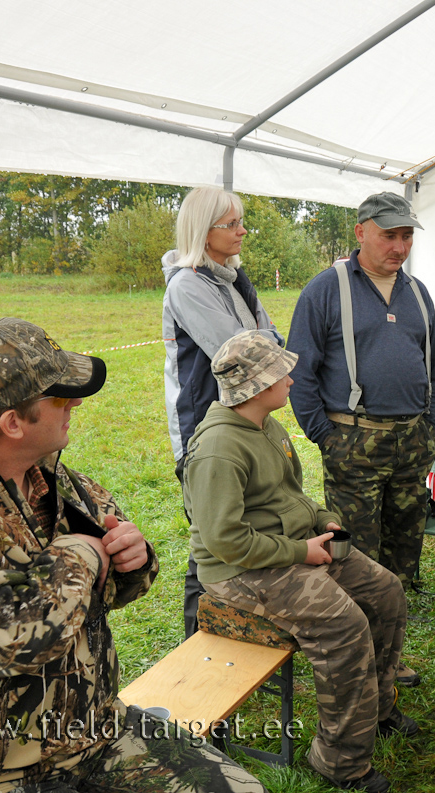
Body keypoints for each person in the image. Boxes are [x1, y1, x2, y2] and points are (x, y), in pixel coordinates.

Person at [0, 318, 264, 793]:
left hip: (96, 732)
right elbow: (13, 635)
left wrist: (134, 560)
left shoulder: (56, 481)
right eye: (59, 397)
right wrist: (82, 552)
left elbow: (122, 583)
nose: (75, 403)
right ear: (12, 422)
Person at [183, 331, 414, 793]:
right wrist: (301, 553)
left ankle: (380, 706)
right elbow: (224, 541)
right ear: (255, 386)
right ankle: (340, 760)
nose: (291, 378)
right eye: (280, 372)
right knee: (342, 625)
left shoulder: (266, 425)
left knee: (386, 591)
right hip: (239, 570)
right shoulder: (218, 450)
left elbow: (287, 496)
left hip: (287, 546)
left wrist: (322, 521)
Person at [287, 191, 435, 687]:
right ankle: (356, 665)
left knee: (402, 557)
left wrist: (431, 419)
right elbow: (300, 371)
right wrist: (324, 436)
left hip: (411, 442)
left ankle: (389, 660)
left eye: (406, 236)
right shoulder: (325, 290)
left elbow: (434, 365)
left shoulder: (417, 292)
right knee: (356, 560)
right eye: (389, 235)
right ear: (361, 232)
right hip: (353, 443)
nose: (400, 247)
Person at [162, 184, 281, 638]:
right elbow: (241, 354)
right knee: (210, 541)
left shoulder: (231, 277)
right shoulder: (189, 285)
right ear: (202, 230)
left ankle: (239, 633)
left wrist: (267, 342)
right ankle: (198, 646)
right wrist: (266, 343)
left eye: (240, 221)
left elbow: (268, 338)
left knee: (244, 524)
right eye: (231, 224)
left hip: (240, 421)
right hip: (204, 431)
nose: (242, 231)